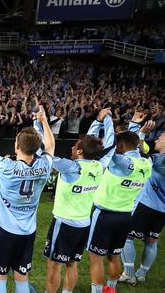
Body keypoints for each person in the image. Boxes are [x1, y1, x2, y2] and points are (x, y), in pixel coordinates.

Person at [0, 101, 55, 293]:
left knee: (0, 275)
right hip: (28, 231)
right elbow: (50, 145)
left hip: (5, 230)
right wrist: (44, 121)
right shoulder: (45, 165)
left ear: (16, 146)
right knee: (21, 275)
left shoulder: (8, 166)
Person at [40, 109, 110, 293]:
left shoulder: (71, 167)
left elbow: (45, 153)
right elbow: (96, 145)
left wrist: (40, 124)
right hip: (83, 223)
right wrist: (100, 121)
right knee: (72, 263)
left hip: (63, 223)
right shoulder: (99, 165)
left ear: (79, 151)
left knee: (54, 264)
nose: (71, 148)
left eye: (74, 146)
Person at [87, 111, 153, 293]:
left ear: (121, 146)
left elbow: (105, 147)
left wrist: (105, 120)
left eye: (118, 144)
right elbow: (137, 148)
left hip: (104, 215)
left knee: (96, 257)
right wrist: (134, 126)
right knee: (114, 256)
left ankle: (97, 291)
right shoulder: (146, 163)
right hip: (125, 216)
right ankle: (112, 288)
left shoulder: (120, 161)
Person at [120, 118, 165, 285]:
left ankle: (128, 273)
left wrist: (140, 134)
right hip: (162, 210)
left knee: (127, 237)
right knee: (151, 240)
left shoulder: (161, 159)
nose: (158, 138)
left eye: (162, 137)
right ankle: (142, 274)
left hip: (147, 205)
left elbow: (142, 158)